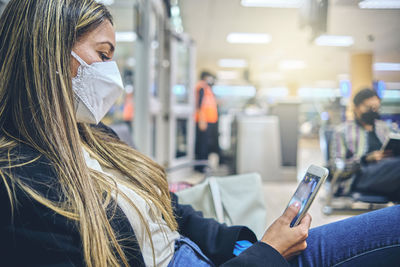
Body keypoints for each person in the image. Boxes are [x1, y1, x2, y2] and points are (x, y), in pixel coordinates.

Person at [0, 1, 399, 266]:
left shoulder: (91, 137)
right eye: (103, 55)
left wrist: (243, 246)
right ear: (49, 54)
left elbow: (170, 209)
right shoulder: (23, 190)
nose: (113, 74)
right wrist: (265, 257)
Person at [330, 88, 400, 200]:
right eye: (368, 108)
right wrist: (365, 159)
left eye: (376, 108)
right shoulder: (342, 132)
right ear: (356, 107)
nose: (373, 111)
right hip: (358, 178)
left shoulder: (386, 128)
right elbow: (336, 167)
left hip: (388, 174)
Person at [194, 71, 219, 173]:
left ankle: (203, 165)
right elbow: (199, 105)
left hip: (209, 120)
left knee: (205, 144)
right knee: (202, 145)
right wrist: (202, 120)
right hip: (204, 121)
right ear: (205, 77)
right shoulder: (201, 87)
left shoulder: (207, 88)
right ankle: (200, 167)